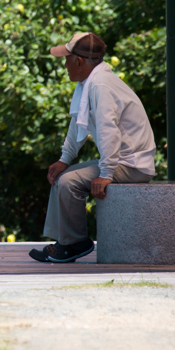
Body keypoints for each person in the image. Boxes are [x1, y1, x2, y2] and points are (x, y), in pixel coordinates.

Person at [29, 31, 156, 263]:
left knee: (69, 182)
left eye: (67, 59)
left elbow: (109, 131)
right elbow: (76, 125)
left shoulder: (100, 86)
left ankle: (74, 244)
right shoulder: (90, 82)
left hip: (132, 164)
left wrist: (106, 173)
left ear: (78, 61)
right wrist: (64, 159)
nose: (65, 65)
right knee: (62, 175)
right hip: (121, 160)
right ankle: (65, 242)